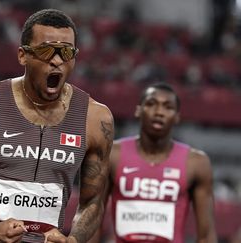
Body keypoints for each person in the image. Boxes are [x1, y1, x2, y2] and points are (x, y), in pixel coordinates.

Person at [0, 9, 114, 243]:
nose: (56, 60)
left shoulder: (95, 118)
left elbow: (93, 202)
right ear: (23, 56)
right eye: (46, 51)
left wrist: (73, 240)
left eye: (66, 52)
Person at [92, 82, 217, 242]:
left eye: (168, 107)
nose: (159, 112)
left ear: (177, 116)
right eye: (151, 104)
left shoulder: (196, 163)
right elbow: (93, 220)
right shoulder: (112, 154)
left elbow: (206, 235)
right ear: (138, 110)